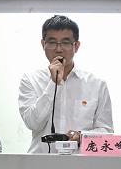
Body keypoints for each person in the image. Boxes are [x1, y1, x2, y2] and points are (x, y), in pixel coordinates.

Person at [18, 15, 113, 153]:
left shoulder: (97, 85)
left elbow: (106, 132)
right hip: (40, 162)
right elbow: (32, 123)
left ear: (76, 46)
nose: (59, 49)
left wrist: (81, 136)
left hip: (81, 163)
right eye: (52, 42)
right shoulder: (30, 80)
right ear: (43, 44)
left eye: (66, 43)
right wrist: (53, 84)